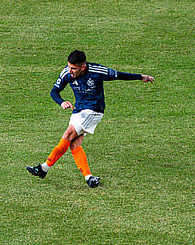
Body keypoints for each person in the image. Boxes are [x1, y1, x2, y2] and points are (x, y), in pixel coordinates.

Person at [27, 50, 154, 187]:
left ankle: (44, 168)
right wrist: (61, 101)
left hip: (94, 110)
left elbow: (118, 75)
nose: (70, 71)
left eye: (73, 68)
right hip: (78, 110)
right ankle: (89, 178)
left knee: (68, 134)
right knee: (74, 144)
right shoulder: (67, 72)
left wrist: (140, 77)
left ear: (83, 67)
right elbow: (54, 91)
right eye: (69, 66)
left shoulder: (98, 71)